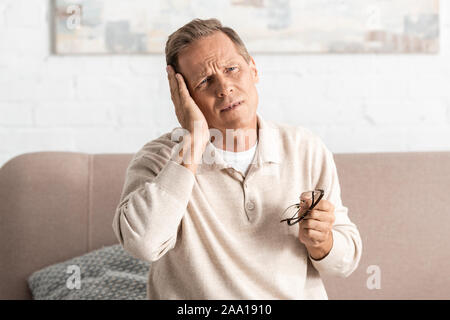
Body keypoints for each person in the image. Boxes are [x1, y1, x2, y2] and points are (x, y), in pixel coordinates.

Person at [112, 18, 362, 300]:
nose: (224, 87)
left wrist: (323, 242)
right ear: (183, 97)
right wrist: (192, 142)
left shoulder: (306, 148)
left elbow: (347, 259)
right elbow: (144, 244)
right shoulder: (159, 159)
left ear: (253, 69)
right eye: (205, 81)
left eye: (232, 69)